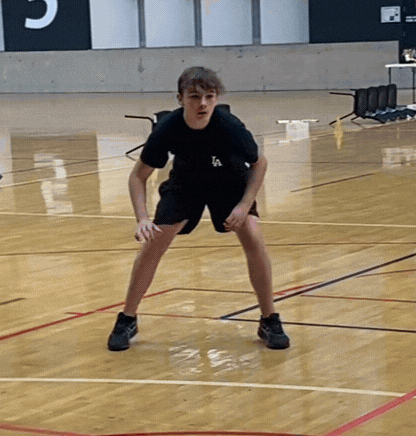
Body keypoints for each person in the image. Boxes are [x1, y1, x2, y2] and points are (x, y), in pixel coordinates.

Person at [107, 67, 288, 352]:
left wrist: (243, 206)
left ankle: (269, 319)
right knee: (154, 241)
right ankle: (127, 318)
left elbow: (259, 163)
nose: (202, 104)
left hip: (229, 183)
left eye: (209, 96)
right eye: (194, 96)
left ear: (216, 99)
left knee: (253, 234)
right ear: (180, 98)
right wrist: (141, 218)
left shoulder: (229, 126)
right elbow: (138, 175)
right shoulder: (169, 127)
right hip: (186, 183)